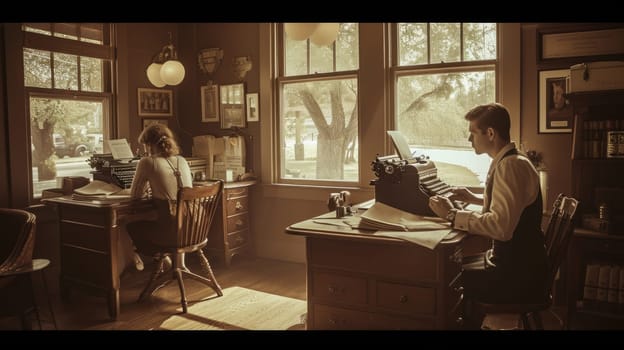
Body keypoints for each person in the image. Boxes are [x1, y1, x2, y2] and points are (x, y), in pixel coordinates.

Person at [428, 103, 547, 330]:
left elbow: (501, 227)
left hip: (518, 276)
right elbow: (512, 207)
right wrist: (473, 197)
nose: (469, 139)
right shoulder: (511, 160)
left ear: (490, 133)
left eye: (473, 132)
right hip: (521, 266)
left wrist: (452, 214)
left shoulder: (510, 167)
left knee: (448, 278)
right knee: (455, 268)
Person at [122, 124, 194, 272]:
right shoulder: (182, 160)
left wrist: (149, 189)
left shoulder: (148, 162)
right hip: (193, 226)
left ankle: (163, 261)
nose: (144, 150)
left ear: (149, 145)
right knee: (171, 219)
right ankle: (178, 265)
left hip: (170, 231)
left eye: (144, 145)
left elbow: (135, 196)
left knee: (127, 223)